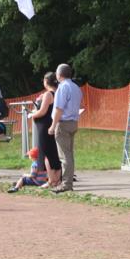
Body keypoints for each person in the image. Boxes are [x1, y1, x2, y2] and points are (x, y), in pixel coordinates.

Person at [49, 63, 81, 193]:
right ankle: (68, 181)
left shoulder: (62, 88)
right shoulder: (76, 87)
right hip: (74, 122)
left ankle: (66, 184)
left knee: (64, 156)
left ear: (59, 74)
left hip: (63, 123)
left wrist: (52, 125)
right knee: (69, 154)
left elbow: (58, 108)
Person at [28, 72, 62, 188]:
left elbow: (42, 111)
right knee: (54, 153)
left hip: (45, 126)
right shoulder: (58, 93)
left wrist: (33, 114)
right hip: (52, 124)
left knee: (46, 153)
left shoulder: (48, 94)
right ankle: (57, 179)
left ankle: (51, 180)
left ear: (46, 81)